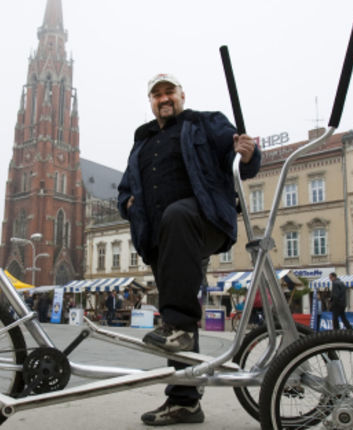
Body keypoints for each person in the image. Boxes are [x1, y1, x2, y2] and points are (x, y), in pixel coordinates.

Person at [117, 73, 261, 426]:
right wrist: (129, 204)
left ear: (182, 95)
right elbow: (123, 190)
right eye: (157, 94)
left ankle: (178, 327)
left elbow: (242, 157)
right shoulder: (142, 142)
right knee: (176, 316)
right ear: (150, 101)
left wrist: (248, 153)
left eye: (170, 92)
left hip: (204, 219)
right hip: (162, 240)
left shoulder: (203, 123)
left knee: (177, 216)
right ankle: (185, 402)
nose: (164, 98)